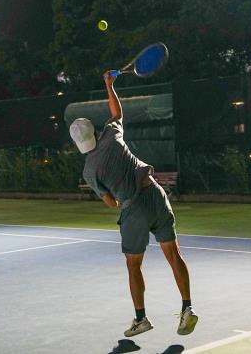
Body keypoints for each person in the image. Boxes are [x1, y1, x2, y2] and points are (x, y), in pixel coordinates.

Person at [69, 70, 198, 338]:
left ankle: (141, 319)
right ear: (93, 130)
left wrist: (115, 194)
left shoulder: (89, 172)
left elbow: (111, 202)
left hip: (134, 209)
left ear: (77, 143)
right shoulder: (111, 135)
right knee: (174, 256)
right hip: (156, 194)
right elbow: (118, 114)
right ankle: (187, 308)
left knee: (133, 265)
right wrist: (109, 85)